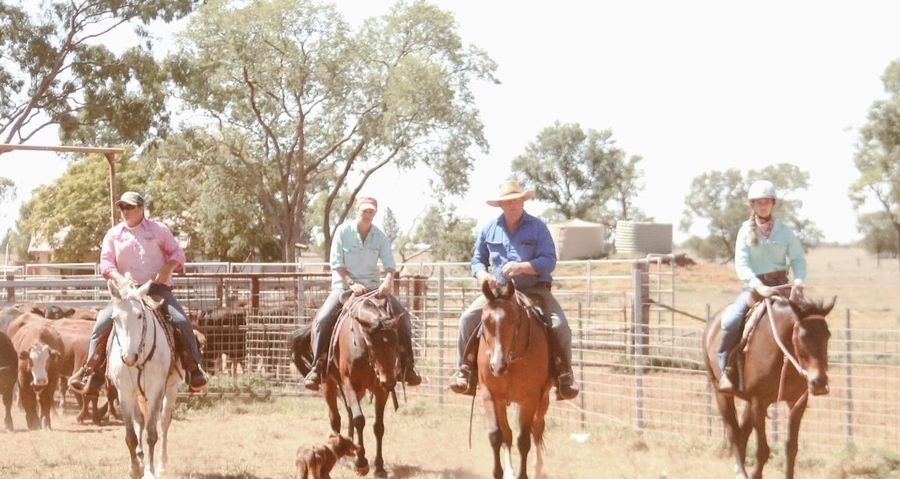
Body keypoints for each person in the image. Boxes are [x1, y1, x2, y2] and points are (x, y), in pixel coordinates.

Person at [449, 179, 579, 400]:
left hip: (535, 290)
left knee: (559, 325)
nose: (513, 205)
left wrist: (523, 267)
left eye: (517, 200)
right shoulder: (489, 228)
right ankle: (465, 371)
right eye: (508, 202)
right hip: (499, 293)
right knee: (467, 318)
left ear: (523, 201)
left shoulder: (538, 227)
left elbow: (549, 260)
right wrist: (483, 275)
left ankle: (564, 376)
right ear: (501, 205)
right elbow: (478, 260)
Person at [69, 191, 208, 396]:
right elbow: (106, 263)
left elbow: (178, 254)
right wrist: (118, 278)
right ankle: (91, 371)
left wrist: (168, 268)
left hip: (157, 289)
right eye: (122, 207)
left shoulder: (159, 230)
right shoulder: (114, 234)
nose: (125, 211)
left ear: (142, 208)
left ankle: (193, 368)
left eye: (130, 207)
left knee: (180, 319)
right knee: (103, 320)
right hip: (127, 292)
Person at [303, 196, 421, 390]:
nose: (368, 214)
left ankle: (408, 366)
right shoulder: (343, 232)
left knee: (404, 318)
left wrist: (388, 280)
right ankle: (318, 366)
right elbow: (336, 263)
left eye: (371, 211)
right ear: (357, 210)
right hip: (344, 287)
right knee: (324, 319)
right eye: (365, 211)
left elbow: (390, 264)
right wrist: (351, 283)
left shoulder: (379, 236)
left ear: (375, 213)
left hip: (374, 289)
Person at [716, 179, 807, 392]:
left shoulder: (785, 232)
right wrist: (759, 286)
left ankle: (813, 370)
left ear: (773, 204)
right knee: (732, 320)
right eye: (758, 202)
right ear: (753, 205)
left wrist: (799, 280)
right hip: (756, 288)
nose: (763, 206)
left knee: (811, 320)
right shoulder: (745, 231)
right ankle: (726, 369)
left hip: (783, 286)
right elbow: (742, 265)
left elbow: (798, 259)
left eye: (766, 202)